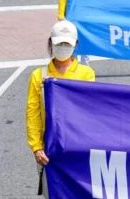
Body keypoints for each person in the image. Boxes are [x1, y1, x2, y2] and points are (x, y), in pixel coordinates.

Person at [26, 20, 95, 197]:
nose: (63, 48)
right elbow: (33, 114)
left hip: (78, 146)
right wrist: (36, 147)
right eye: (59, 44)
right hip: (50, 150)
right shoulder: (38, 76)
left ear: (75, 45)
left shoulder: (86, 74)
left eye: (67, 44)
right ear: (50, 43)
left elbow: (90, 111)